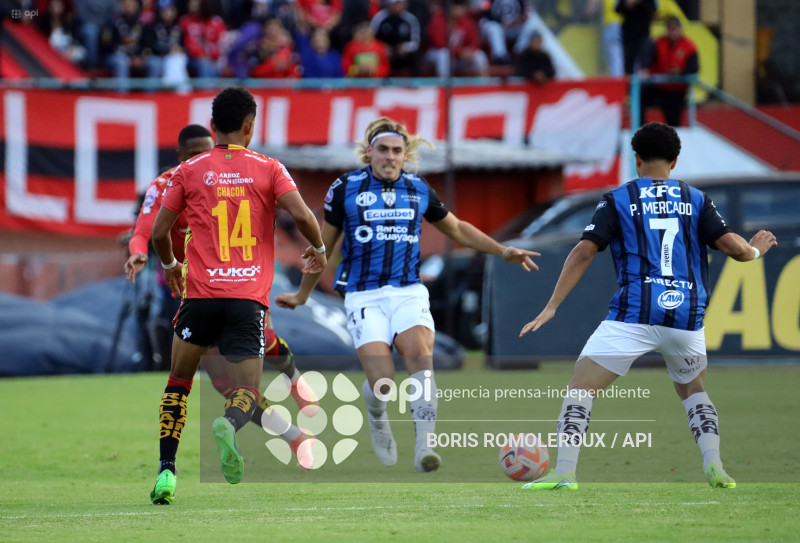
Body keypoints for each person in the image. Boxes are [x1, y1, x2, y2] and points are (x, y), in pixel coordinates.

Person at [518, 122, 778, 490]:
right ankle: (715, 465)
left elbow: (583, 251)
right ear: (675, 161)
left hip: (635, 314)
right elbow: (733, 247)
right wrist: (755, 251)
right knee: (693, 390)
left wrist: (552, 306)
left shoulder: (618, 199)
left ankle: (565, 473)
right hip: (685, 317)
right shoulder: (696, 198)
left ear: (636, 159)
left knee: (581, 388)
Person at [276, 117, 540, 472]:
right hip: (363, 294)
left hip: (408, 292)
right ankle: (376, 412)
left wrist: (502, 250)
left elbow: (458, 228)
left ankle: (424, 446)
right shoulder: (345, 188)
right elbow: (323, 248)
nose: (389, 157)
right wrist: (302, 295)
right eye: (382, 150)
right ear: (369, 152)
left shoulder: (418, 188)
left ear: (405, 155)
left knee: (419, 354)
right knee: (382, 381)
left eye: (396, 151)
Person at [148, 87, 326, 504]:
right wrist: (318, 251)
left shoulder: (188, 170)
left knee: (178, 383)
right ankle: (231, 423)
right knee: (243, 390)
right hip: (247, 300)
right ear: (250, 126)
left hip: (199, 299)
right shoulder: (269, 168)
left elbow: (159, 234)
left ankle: (167, 473)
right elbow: (302, 215)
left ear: (213, 127)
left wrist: (172, 267)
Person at [125, 124, 314, 463]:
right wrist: (139, 252)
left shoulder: (232, 175)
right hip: (196, 291)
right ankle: (294, 435)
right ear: (181, 157)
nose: (206, 159)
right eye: (196, 153)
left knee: (266, 340)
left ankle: (297, 382)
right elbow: (146, 231)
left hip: (240, 281)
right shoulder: (167, 184)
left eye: (209, 150)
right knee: (225, 383)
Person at [641, 16, 698, 127]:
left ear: (680, 29)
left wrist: (680, 72)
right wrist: (645, 69)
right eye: (670, 29)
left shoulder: (689, 46)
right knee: (640, 95)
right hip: (659, 85)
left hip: (677, 89)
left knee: (673, 120)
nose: (673, 32)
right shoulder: (659, 43)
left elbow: (694, 67)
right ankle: (640, 126)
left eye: (675, 28)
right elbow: (648, 58)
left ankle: (673, 139)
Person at [616, 0, 656, 75]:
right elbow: (618, 9)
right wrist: (628, 4)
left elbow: (653, 9)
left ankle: (643, 84)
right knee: (628, 63)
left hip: (643, 34)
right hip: (628, 34)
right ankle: (628, 84)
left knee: (644, 63)